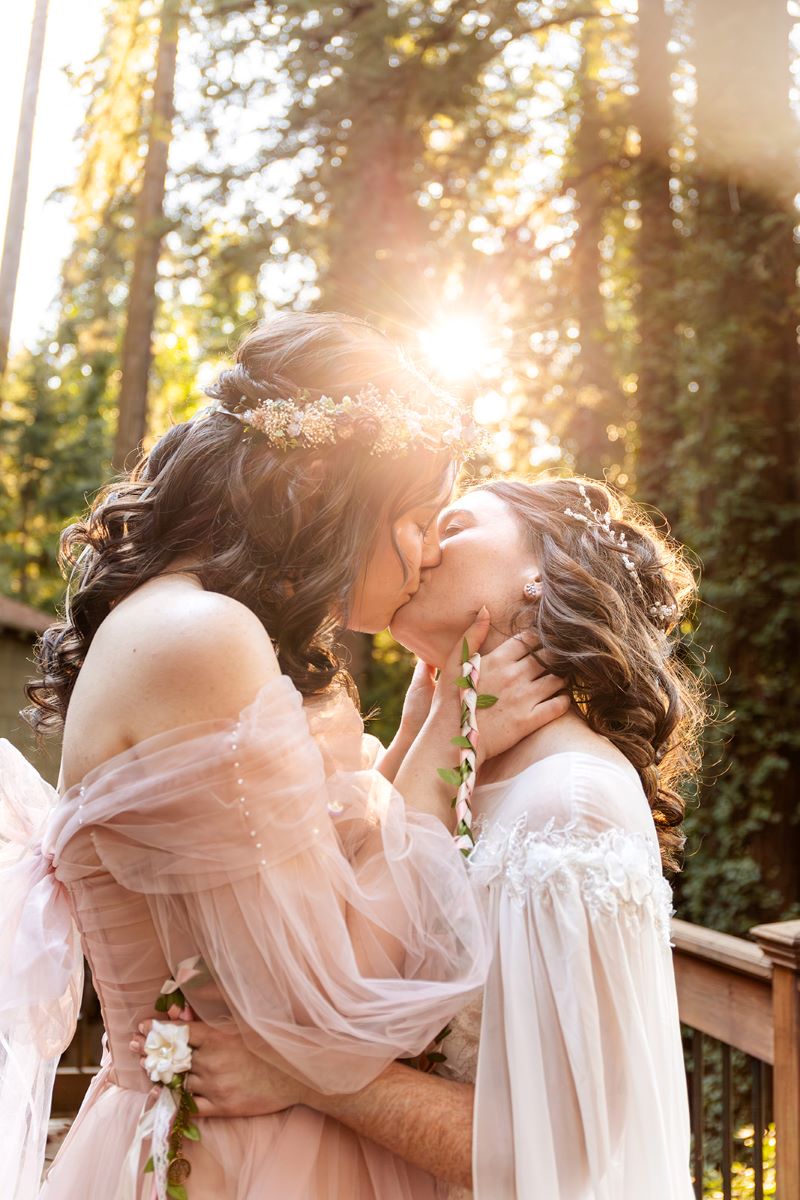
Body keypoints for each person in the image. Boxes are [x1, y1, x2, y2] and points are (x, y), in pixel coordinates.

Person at [0, 311, 568, 1200]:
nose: (423, 555)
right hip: (236, 1159)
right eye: (416, 520)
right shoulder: (201, 636)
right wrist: (451, 742)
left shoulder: (218, 632)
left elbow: (292, 896)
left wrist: (424, 728)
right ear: (314, 482)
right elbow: (333, 995)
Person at [148, 476, 703, 1199]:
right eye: (417, 524)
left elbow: (567, 1154)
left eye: (456, 524)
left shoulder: (570, 800)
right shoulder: (463, 764)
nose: (421, 546)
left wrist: (306, 1074)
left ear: (546, 569)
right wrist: (423, 733)